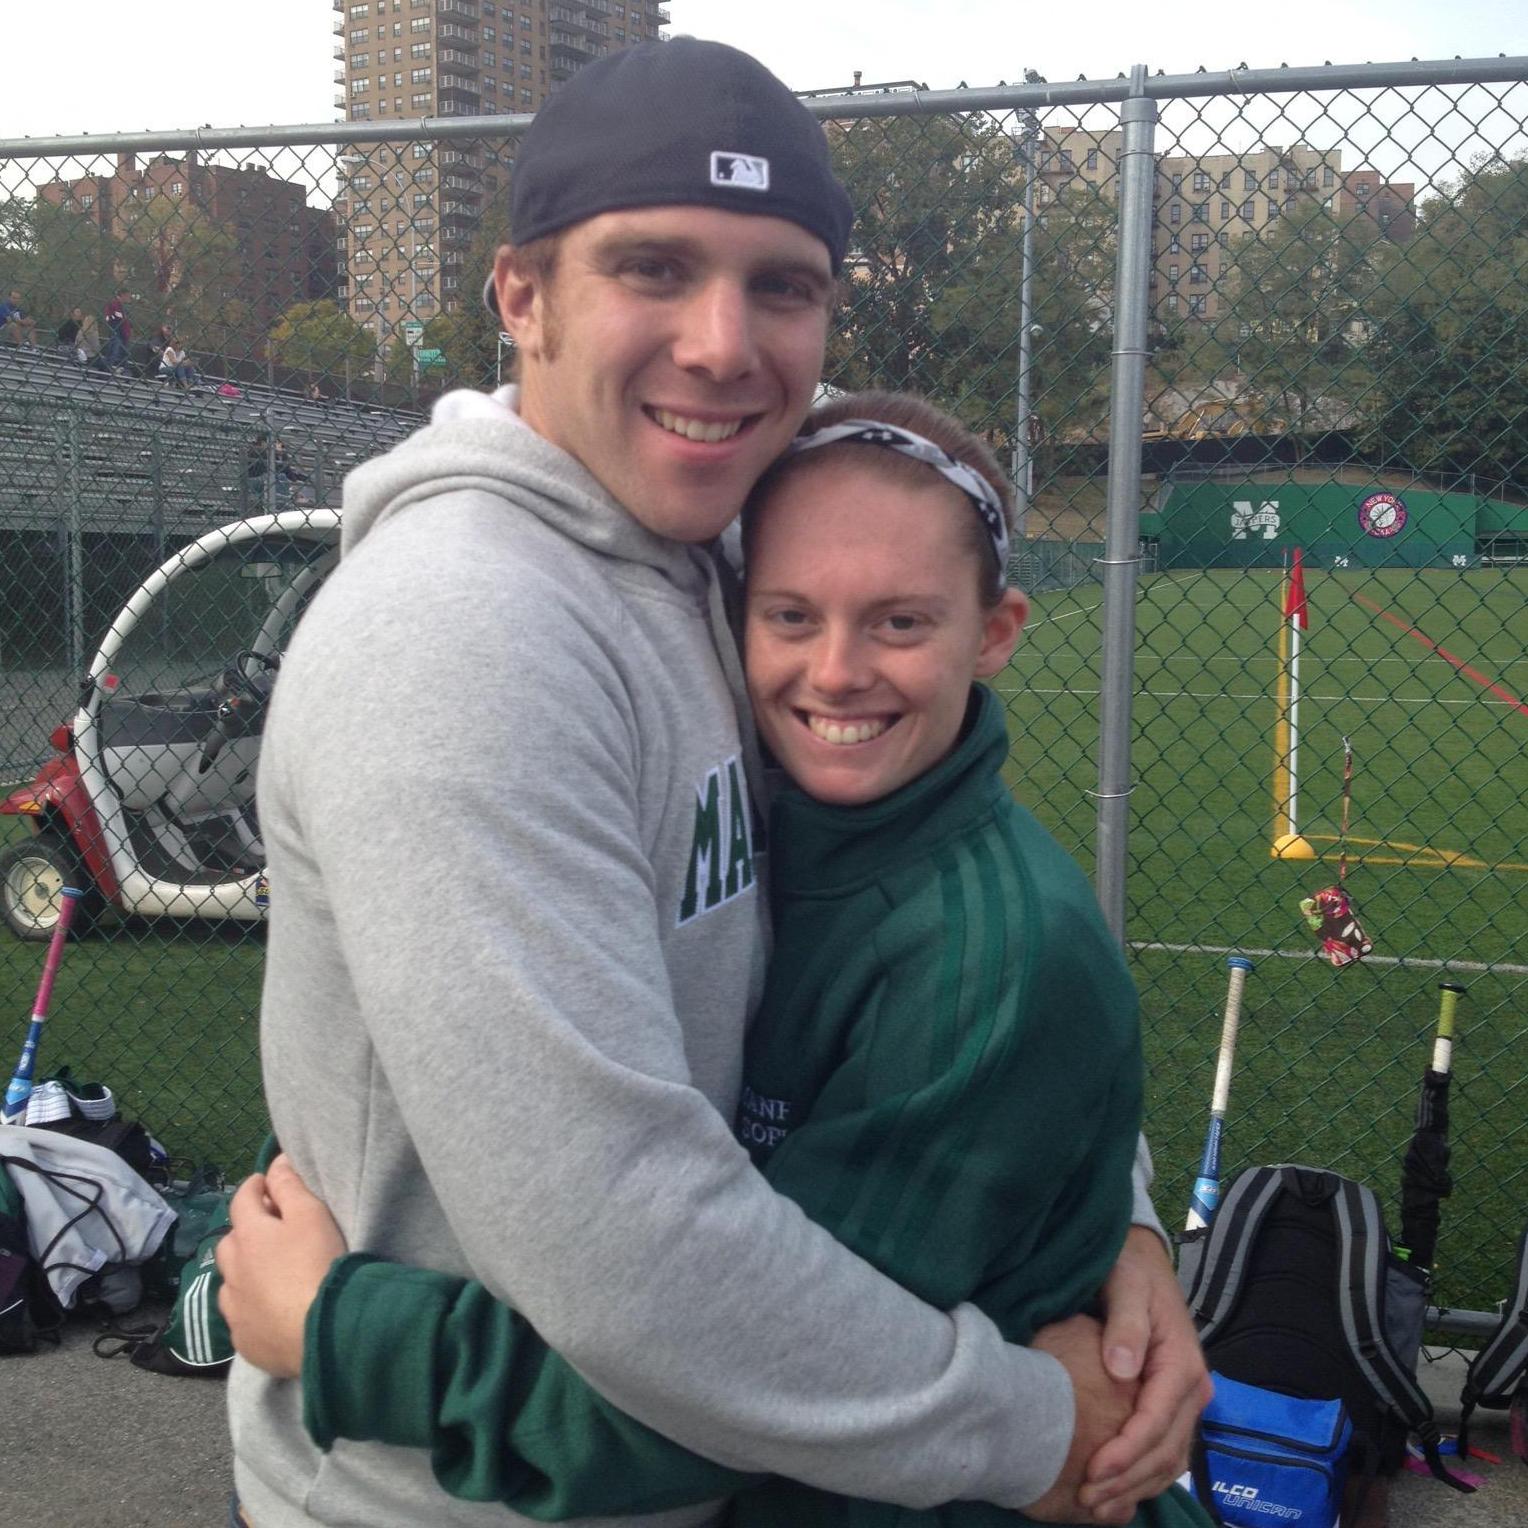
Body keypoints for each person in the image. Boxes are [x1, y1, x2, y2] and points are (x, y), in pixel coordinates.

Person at [221, 38, 1209, 1528]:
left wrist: (1098, 1225)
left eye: (783, 286)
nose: (722, 342)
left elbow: (964, 969)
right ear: (521, 296)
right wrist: (1030, 1422)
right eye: (655, 269)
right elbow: (634, 1241)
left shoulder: (721, 551)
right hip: (458, 1494)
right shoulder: (465, 637)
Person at [103, 287, 132, 370]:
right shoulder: (113, 304)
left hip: (123, 333)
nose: (129, 298)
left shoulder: (123, 307)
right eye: (128, 296)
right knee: (114, 349)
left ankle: (119, 368)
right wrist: (117, 316)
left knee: (123, 352)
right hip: (116, 330)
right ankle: (108, 367)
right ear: (123, 295)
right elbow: (110, 317)